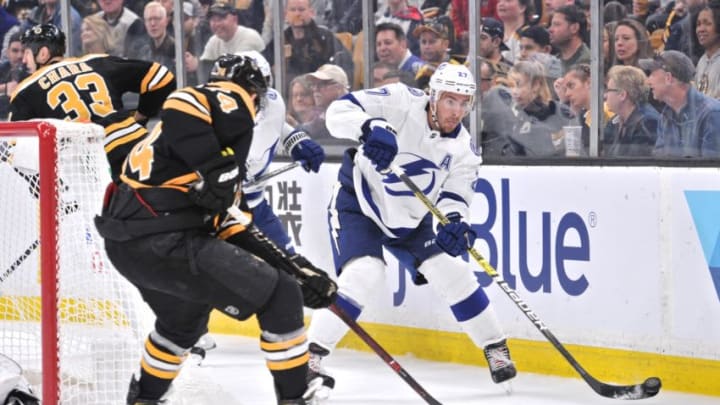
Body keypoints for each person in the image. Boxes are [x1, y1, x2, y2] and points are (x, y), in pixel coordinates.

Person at [93, 53, 337, 405]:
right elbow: (182, 101)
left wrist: (296, 268)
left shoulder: (176, 146)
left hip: (129, 246)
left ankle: (144, 399)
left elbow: (229, 223)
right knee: (282, 295)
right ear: (253, 92)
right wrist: (217, 166)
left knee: (184, 320)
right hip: (166, 239)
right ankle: (296, 397)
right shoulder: (227, 98)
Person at [305, 63, 517, 397]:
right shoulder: (399, 100)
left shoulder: (464, 150)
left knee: (452, 271)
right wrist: (370, 126)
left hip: (411, 218)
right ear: (433, 96)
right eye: (450, 101)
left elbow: (455, 196)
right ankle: (311, 357)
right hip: (359, 202)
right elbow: (337, 111)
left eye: (464, 103)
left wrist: (455, 223)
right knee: (365, 273)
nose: (457, 111)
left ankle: (494, 346)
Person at [9, 23, 176, 181]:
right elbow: (162, 77)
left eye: (27, 53)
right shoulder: (95, 62)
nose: (24, 60)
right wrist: (142, 115)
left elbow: (13, 150)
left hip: (91, 166)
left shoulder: (25, 90)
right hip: (139, 146)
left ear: (43, 53)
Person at [639, 50, 720, 158]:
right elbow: (660, 162)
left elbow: (711, 171)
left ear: (668, 78)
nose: (648, 81)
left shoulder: (712, 114)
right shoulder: (665, 116)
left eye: (652, 74)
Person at [602, 65, 659, 157]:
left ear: (622, 95)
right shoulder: (614, 121)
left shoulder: (647, 123)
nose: (605, 96)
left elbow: (633, 164)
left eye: (608, 90)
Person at [0, 32, 27, 120]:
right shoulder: (2, 69)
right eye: (15, 51)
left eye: (23, 51)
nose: (19, 56)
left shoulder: (33, 72)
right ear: (7, 52)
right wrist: (5, 87)